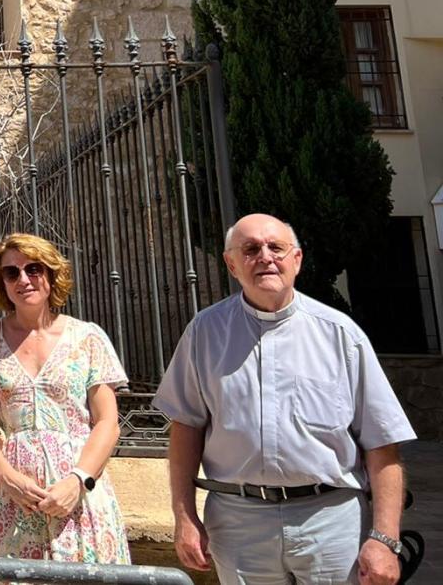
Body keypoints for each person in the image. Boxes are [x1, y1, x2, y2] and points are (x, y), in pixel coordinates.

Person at [154, 213, 416, 585]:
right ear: (231, 264)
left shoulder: (342, 336)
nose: (265, 257)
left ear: (296, 259)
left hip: (330, 520)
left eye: (275, 247)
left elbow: (382, 445)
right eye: (250, 249)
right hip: (238, 522)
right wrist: (184, 517)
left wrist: (385, 539)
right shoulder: (204, 334)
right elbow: (186, 428)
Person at [0, 233, 131, 577]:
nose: (23, 279)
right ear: (3, 284)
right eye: (12, 273)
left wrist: (77, 480)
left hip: (78, 495)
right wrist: (5, 476)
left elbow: (107, 422)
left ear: (51, 275)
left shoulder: (88, 337)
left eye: (33, 269)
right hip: (10, 497)